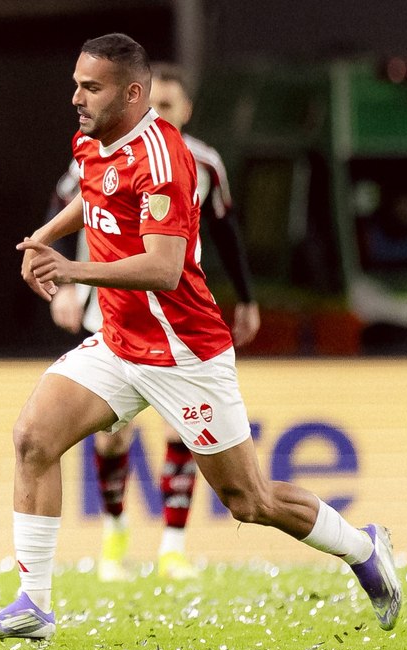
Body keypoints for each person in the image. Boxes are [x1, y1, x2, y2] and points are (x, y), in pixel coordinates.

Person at [0, 33, 401, 641]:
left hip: (183, 351)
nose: (76, 98)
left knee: (249, 500)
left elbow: (164, 268)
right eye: (76, 85)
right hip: (120, 341)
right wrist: (45, 236)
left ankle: (363, 547)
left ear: (132, 94)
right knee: (34, 439)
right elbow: (93, 194)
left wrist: (72, 269)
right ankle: (33, 606)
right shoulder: (92, 138)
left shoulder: (165, 159)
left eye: (90, 88)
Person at [47, 63, 261, 582]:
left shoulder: (202, 163)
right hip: (111, 313)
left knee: (182, 430)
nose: (157, 115)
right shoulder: (102, 150)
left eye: (167, 106)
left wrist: (246, 298)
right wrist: (67, 282)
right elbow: (68, 202)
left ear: (186, 110)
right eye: (151, 105)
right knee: (110, 438)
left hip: (175, 320)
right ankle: (114, 532)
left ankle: (172, 546)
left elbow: (225, 231)